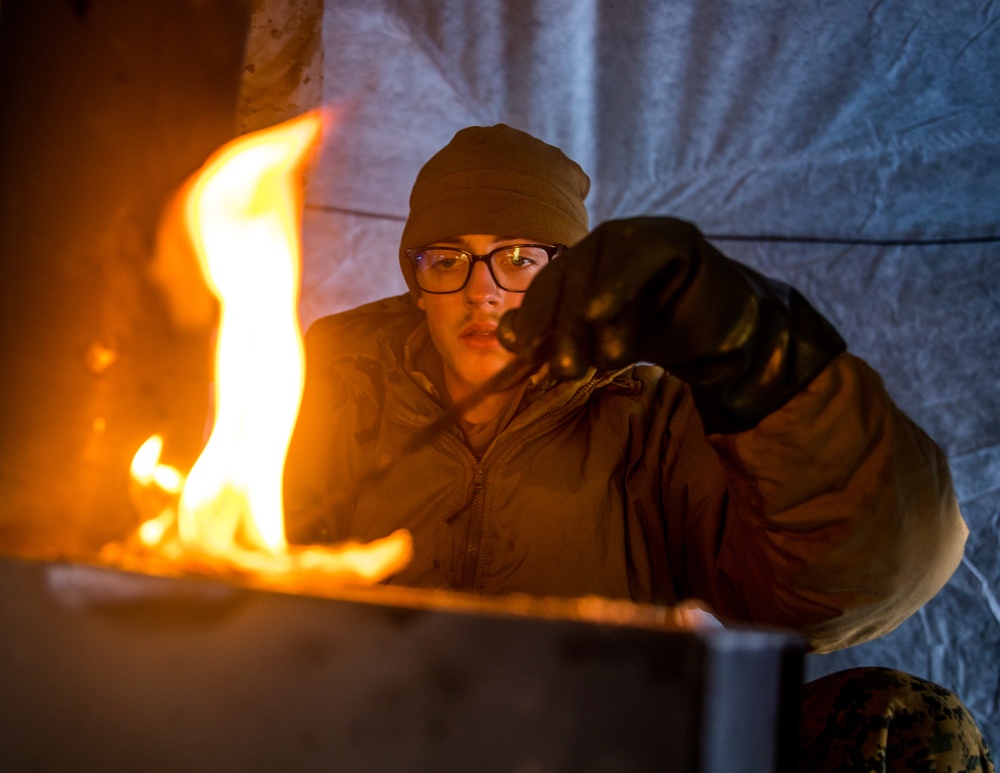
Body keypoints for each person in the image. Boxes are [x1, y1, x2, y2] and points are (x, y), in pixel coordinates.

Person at [284, 124, 992, 770]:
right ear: (417, 282)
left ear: (566, 272)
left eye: (520, 258)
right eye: (448, 259)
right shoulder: (314, 396)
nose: (483, 293)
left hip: (592, 753)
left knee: (910, 726)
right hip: (364, 744)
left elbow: (855, 579)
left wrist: (755, 352)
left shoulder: (650, 419)